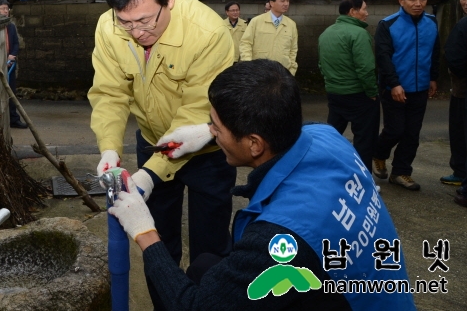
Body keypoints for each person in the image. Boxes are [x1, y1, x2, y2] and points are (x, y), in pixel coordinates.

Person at [109, 59, 416, 310]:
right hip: (376, 293)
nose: (213, 132)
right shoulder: (327, 136)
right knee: (205, 266)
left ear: (254, 144)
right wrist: (205, 133)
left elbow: (193, 307)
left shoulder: (277, 239)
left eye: (217, 126)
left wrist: (144, 230)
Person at [88, 0, 237, 311]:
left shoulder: (209, 33)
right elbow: (109, 92)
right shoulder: (110, 28)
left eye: (145, 20)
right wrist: (109, 148)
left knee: (210, 247)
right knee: (158, 237)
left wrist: (151, 173)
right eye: (125, 22)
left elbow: (194, 110)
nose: (137, 32)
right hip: (151, 141)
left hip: (206, 151)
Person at [372, 0, 439, 190]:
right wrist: (394, 84)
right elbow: (383, 58)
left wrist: (433, 77)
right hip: (394, 88)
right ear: (402, 1)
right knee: (395, 129)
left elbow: (435, 53)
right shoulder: (387, 24)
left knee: (412, 133)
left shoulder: (432, 22)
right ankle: (379, 154)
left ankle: (401, 172)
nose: (418, 3)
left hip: (420, 87)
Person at [318, 0, 379, 172]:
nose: (367, 13)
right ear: (352, 11)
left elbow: (321, 64)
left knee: (331, 135)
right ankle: (363, 178)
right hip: (359, 94)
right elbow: (366, 68)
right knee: (365, 140)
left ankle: (324, 171)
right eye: (364, 9)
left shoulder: (326, 33)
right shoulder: (360, 34)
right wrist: (372, 92)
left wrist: (331, 83)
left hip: (334, 93)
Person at [444, 0, 467, 207]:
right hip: (459, 91)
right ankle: (460, 172)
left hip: (463, 88)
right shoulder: (462, 23)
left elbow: (455, 57)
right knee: (458, 133)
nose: (466, 2)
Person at [239, 0, 299, 75]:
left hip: (282, 73)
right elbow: (245, 43)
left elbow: (293, 50)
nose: (286, 4)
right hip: (259, 72)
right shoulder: (257, 21)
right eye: (282, 1)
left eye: (287, 0)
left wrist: (291, 70)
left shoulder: (291, 24)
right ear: (271, 3)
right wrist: (249, 65)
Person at [0, 0, 27, 129]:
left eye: (7, 9)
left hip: (10, 64)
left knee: (11, 92)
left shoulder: (11, 26)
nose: (6, 11)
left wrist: (12, 55)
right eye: (3, 9)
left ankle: (13, 119)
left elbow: (16, 43)